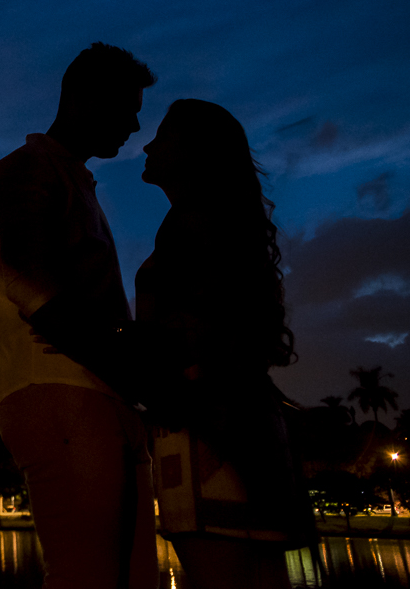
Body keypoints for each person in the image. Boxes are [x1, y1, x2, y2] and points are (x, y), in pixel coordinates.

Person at [0, 42, 158, 589]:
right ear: (84, 98)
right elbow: (29, 285)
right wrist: (128, 366)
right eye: (127, 108)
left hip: (98, 392)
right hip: (59, 390)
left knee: (132, 577)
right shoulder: (27, 169)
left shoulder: (70, 178)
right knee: (88, 575)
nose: (135, 125)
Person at [135, 99, 315, 589]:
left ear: (193, 150)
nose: (148, 146)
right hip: (236, 423)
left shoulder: (190, 225)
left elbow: (190, 336)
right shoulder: (218, 225)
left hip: (209, 430)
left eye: (163, 135)